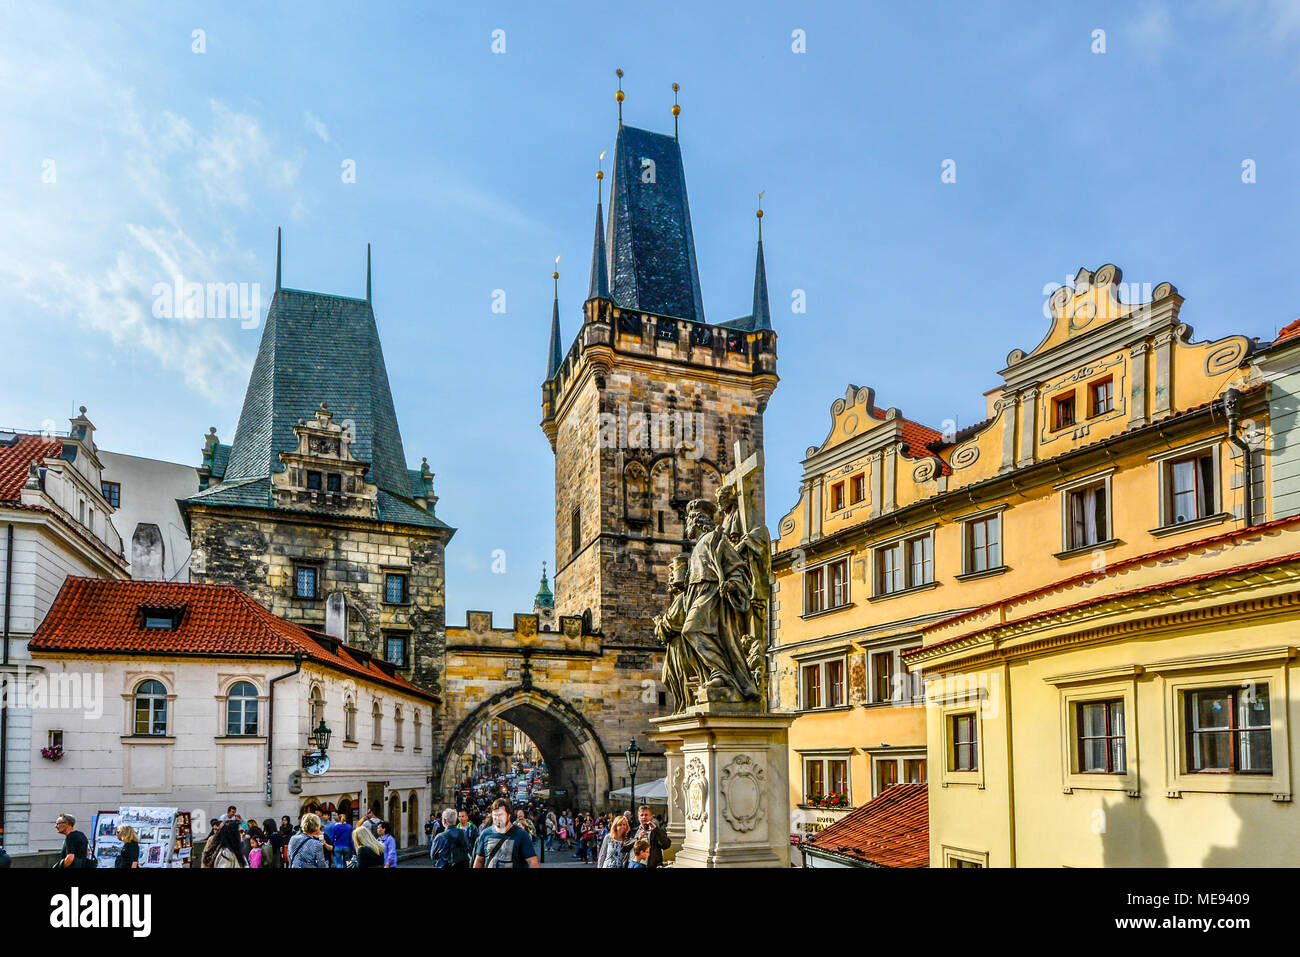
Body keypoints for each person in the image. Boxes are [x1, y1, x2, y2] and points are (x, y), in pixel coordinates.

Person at [472, 799, 539, 869]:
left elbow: (532, 861)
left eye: (501, 814)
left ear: (509, 815)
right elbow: (479, 860)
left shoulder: (522, 834)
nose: (497, 818)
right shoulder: (485, 834)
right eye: (495, 815)